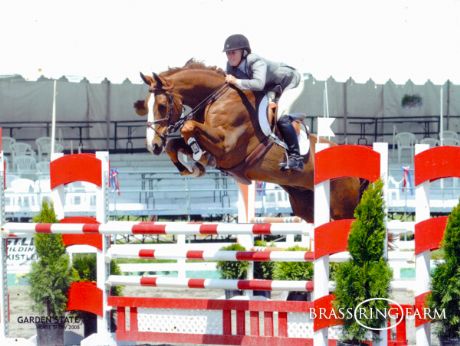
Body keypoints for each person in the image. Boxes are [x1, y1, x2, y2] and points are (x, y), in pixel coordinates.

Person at [223, 34, 305, 172]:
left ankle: (296, 158)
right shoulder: (230, 66)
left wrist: (236, 81)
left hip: (292, 82)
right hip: (272, 87)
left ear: (243, 52)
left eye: (233, 53)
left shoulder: (255, 61)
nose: (230, 56)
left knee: (280, 118)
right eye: (228, 53)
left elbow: (259, 84)